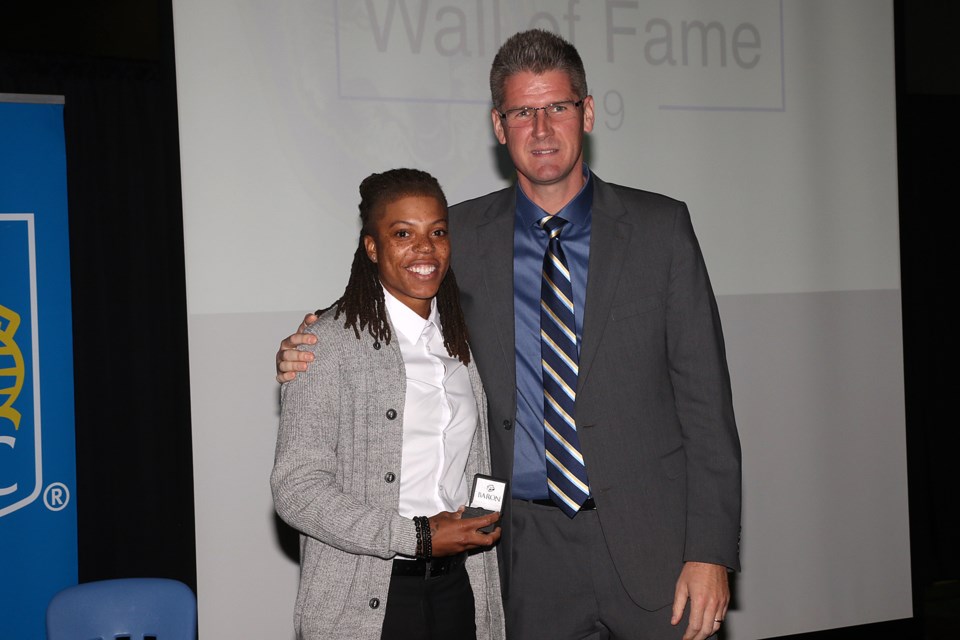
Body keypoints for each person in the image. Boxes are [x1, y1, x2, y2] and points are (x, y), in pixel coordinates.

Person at [277, 31, 741, 640]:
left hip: (653, 546)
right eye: (523, 112)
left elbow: (707, 408)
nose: (542, 128)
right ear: (500, 125)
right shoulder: (459, 235)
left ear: (589, 112)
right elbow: (391, 288)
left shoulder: (660, 229)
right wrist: (313, 338)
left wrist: (710, 551)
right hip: (524, 555)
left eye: (558, 107)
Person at [271, 168, 505, 640]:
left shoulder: (467, 336)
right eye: (403, 234)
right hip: (369, 601)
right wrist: (417, 537)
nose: (425, 248)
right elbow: (296, 489)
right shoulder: (326, 345)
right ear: (372, 247)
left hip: (461, 587)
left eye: (437, 232)